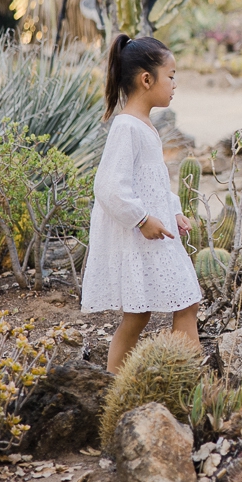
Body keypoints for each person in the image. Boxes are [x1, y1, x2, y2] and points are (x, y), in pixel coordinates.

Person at [82, 34, 203, 372]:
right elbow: (108, 186)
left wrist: (173, 210)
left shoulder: (143, 125)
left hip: (155, 233)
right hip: (142, 236)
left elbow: (151, 181)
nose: (175, 84)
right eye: (171, 75)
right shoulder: (127, 127)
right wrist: (141, 219)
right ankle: (183, 381)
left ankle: (128, 383)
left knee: (169, 307)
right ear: (146, 79)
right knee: (165, 307)